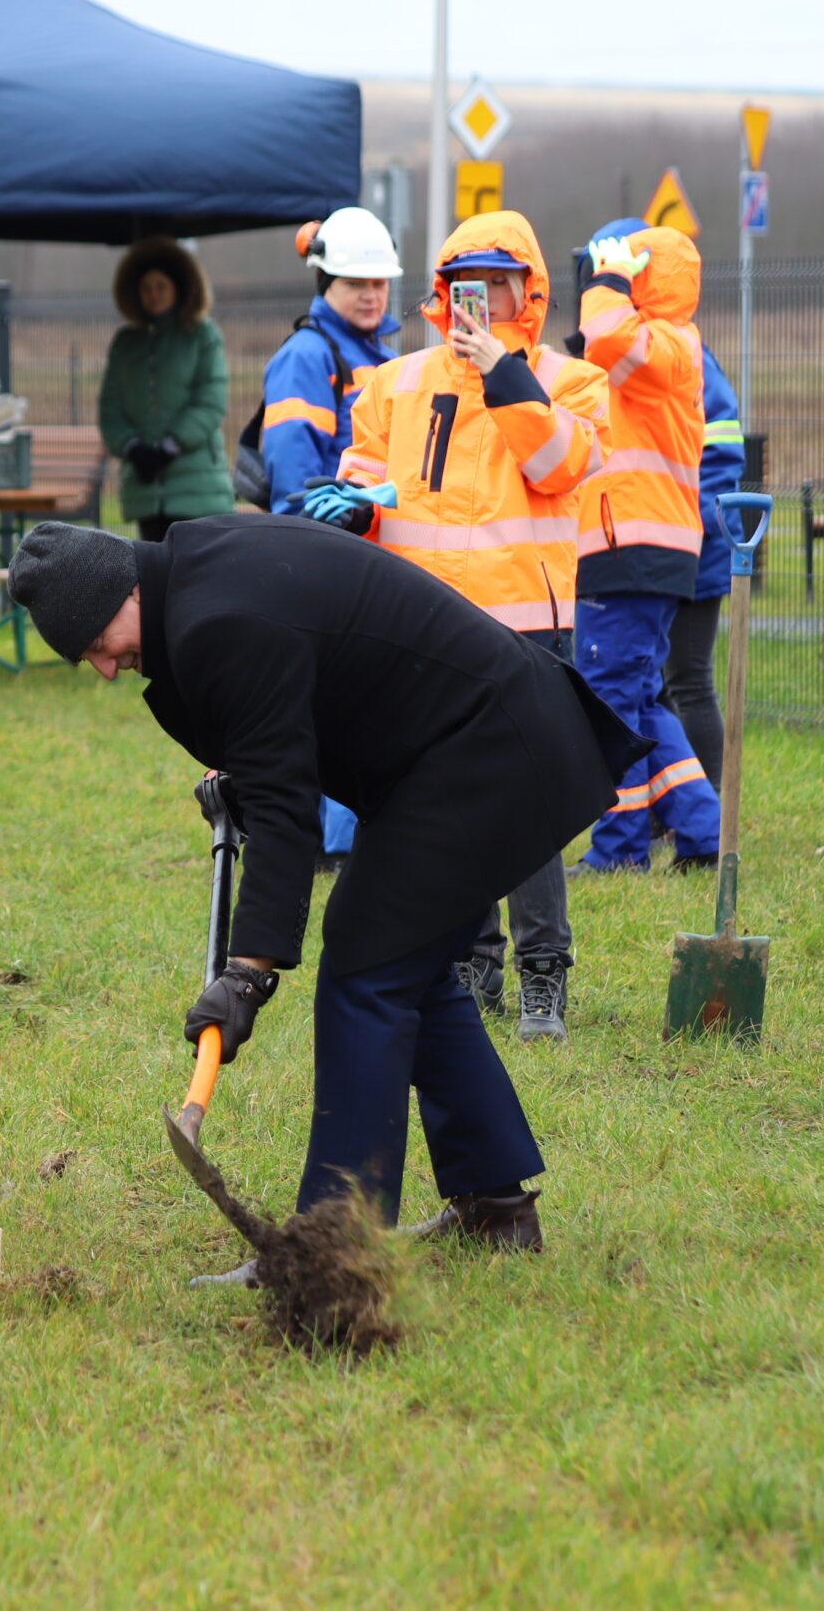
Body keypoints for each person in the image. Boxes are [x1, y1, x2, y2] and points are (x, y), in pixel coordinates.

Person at [6, 517, 648, 1278]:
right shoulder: (199, 581)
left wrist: (248, 972)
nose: (105, 668)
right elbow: (283, 727)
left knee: (368, 965)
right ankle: (495, 1208)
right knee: (406, 962)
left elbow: (287, 808)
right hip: (461, 748)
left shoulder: (220, 620)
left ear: (121, 591)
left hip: (490, 746)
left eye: (94, 642)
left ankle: (334, 1248)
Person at [303, 210, 609, 1039]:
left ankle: (545, 970)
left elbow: (557, 466)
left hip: (525, 626)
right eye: (468, 282)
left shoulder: (568, 379)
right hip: (424, 626)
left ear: (531, 291)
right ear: (444, 290)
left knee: (529, 805)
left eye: (502, 281)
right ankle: (476, 962)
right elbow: (367, 471)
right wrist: (351, 508)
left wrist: (504, 373)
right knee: (443, 802)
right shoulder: (396, 381)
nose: (486, 297)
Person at [569, 224, 723, 873]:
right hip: (648, 545)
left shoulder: (658, 342)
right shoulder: (671, 345)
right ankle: (702, 826)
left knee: (607, 703)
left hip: (628, 543)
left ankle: (621, 846)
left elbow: (603, 335)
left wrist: (608, 280)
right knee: (639, 699)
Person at [258, 207, 405, 871]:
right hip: (330, 550)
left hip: (372, 549)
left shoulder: (388, 358)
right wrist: (322, 528)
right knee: (345, 701)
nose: (371, 295)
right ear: (325, 283)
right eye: (356, 283)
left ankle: (343, 836)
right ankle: (339, 843)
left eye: (379, 283)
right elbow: (294, 470)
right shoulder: (307, 358)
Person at [589, 218, 747, 786]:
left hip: (687, 542)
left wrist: (694, 526)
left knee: (687, 680)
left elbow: (723, 453)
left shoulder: (678, 352)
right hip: (671, 539)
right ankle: (678, 802)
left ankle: (710, 802)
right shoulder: (655, 346)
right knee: (655, 684)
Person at [99, 238, 230, 543]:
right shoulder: (126, 344)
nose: (153, 295)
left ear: (179, 287)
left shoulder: (202, 336)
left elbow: (211, 400)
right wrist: (133, 448)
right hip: (145, 491)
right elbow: (110, 408)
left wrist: (170, 446)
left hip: (198, 489)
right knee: (155, 580)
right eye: (146, 288)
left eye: (161, 286)